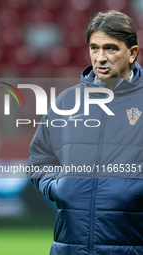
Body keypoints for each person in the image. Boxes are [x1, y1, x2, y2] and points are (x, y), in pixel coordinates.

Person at [27, 10, 143, 254]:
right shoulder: (67, 102)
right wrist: (59, 187)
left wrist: (133, 192)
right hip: (70, 247)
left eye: (110, 48)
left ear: (132, 53)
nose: (100, 57)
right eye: (94, 48)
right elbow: (38, 159)